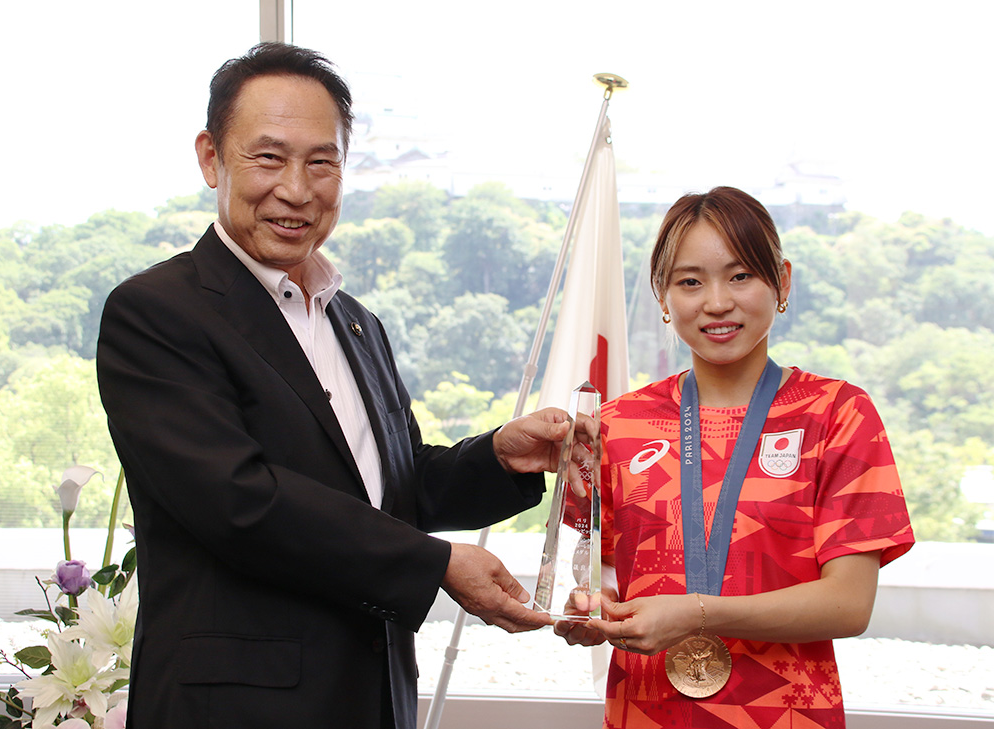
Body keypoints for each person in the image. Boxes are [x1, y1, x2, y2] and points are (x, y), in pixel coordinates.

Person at [96, 42, 563, 729]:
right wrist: (435, 564)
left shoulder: (355, 321)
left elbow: (391, 492)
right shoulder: (157, 311)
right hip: (233, 709)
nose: (297, 187)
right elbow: (241, 503)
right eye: (269, 157)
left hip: (372, 698)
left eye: (322, 161)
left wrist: (500, 455)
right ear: (210, 157)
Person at [555, 186, 914, 728]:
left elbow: (849, 605)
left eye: (741, 275)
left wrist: (697, 613)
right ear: (662, 295)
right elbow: (602, 575)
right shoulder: (617, 425)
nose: (717, 302)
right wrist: (595, 614)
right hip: (645, 711)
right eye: (690, 281)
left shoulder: (836, 414)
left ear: (783, 281)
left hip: (791, 716)